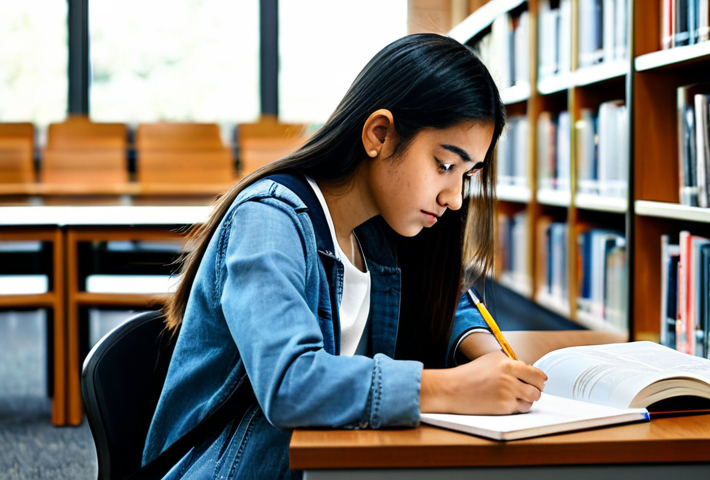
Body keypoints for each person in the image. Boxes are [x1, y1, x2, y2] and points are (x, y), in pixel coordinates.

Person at [142, 33, 547, 480]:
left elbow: (443, 298)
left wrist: (489, 356)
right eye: (445, 165)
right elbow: (291, 383)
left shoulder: (379, 228)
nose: (454, 198)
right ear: (380, 134)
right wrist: (451, 386)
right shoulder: (269, 222)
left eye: (467, 174)